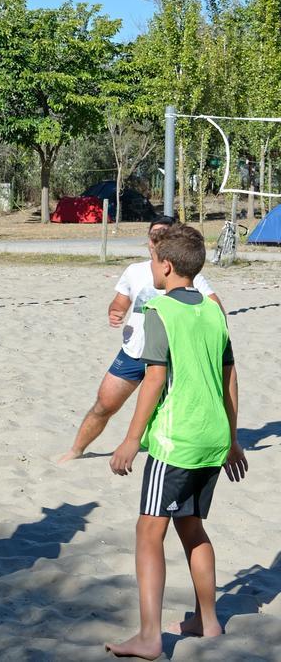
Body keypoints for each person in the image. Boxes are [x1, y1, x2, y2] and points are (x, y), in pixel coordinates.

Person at [105, 224, 248, 660]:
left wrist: (131, 439)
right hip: (213, 439)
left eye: (153, 260)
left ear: (165, 267)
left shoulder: (160, 310)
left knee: (149, 532)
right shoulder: (212, 310)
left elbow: (154, 378)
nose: (151, 266)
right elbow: (230, 376)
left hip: (176, 441)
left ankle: (149, 637)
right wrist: (233, 437)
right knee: (192, 527)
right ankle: (208, 623)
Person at [58, 216, 229, 463]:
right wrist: (115, 311)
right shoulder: (134, 271)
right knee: (104, 405)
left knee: (171, 412)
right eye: (153, 236)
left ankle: (165, 452)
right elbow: (120, 301)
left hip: (170, 359)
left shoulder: (188, 274)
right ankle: (76, 450)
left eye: (163, 236)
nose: (156, 241)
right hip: (134, 352)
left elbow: (216, 313)